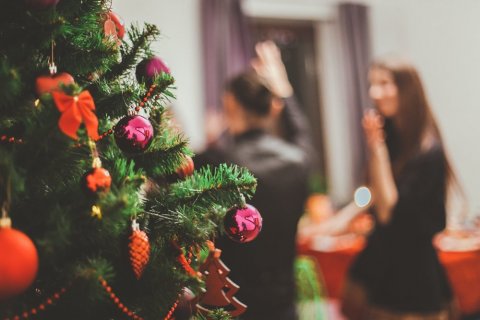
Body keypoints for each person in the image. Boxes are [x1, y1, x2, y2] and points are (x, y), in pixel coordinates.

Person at [195, 41, 316, 320]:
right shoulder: (299, 160)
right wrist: (284, 90)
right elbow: (301, 132)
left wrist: (209, 141)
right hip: (283, 304)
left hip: (231, 304)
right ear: (272, 108)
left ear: (231, 104)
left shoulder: (215, 161)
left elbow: (168, 172)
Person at [338, 56, 459, 319]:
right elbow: (371, 196)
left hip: (414, 278)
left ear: (407, 89)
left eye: (384, 83)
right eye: (372, 84)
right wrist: (335, 223)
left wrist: (377, 149)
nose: (374, 93)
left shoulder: (428, 152)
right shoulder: (392, 141)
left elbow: (388, 211)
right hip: (384, 269)